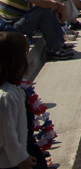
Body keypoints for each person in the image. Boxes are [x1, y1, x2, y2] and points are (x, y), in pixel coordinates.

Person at [0, 31, 42, 169]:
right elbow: (7, 133)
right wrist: (21, 159)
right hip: (10, 161)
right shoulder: (7, 95)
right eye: (24, 54)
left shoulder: (12, 90)